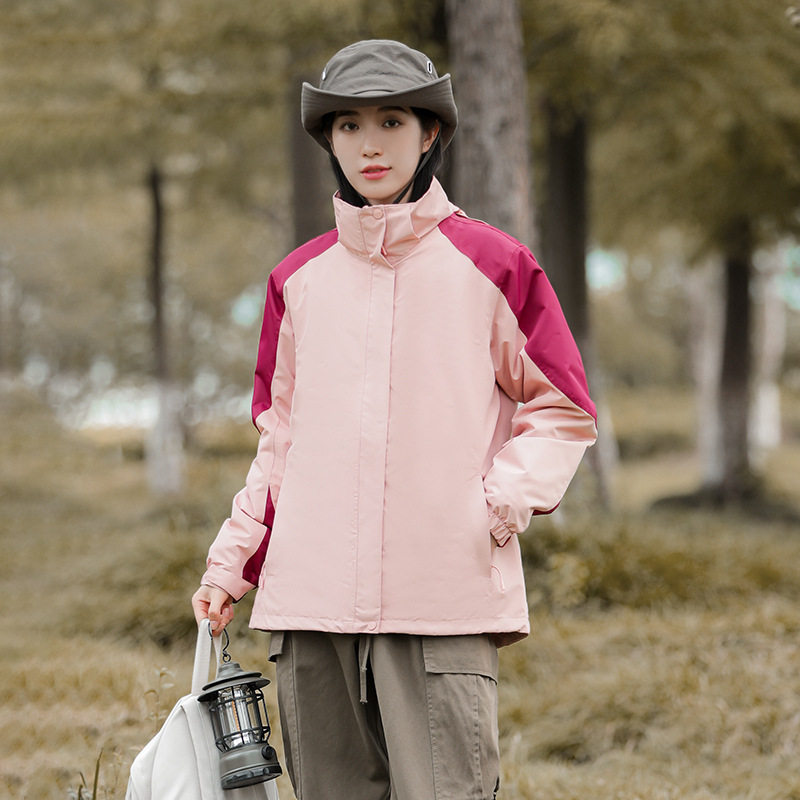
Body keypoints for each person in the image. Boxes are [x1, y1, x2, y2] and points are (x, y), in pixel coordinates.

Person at [192, 39, 597, 800]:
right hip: (309, 608)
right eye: (347, 126)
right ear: (328, 140)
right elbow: (278, 443)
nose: (368, 144)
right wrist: (231, 562)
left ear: (431, 133)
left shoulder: (495, 264)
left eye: (390, 121)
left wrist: (497, 504)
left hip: (442, 598)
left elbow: (563, 407)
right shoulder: (297, 280)